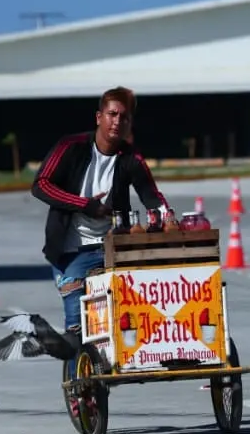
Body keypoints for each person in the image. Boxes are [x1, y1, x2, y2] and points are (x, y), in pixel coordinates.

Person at [31, 86, 168, 375]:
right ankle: (77, 387)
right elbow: (40, 185)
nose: (117, 121)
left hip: (112, 248)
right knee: (77, 326)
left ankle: (129, 361)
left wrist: (167, 217)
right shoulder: (70, 146)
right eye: (112, 114)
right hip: (70, 252)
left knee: (134, 310)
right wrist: (85, 204)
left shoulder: (131, 158)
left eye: (124, 117)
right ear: (99, 117)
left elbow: (152, 195)